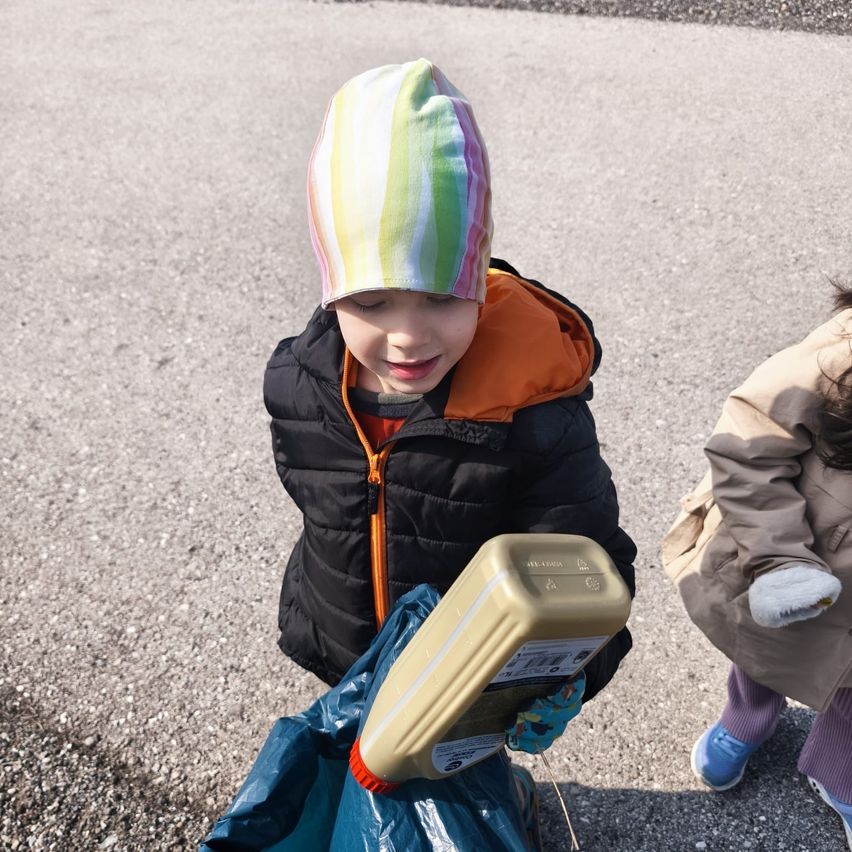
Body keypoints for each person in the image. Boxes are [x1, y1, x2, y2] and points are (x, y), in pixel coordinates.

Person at [263, 58, 636, 846]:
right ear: (332, 288)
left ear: (479, 278)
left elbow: (592, 567)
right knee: (363, 781)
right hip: (347, 652)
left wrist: (564, 675)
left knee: (455, 781)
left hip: (465, 689)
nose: (406, 333)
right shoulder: (300, 386)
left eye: (443, 296)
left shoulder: (532, 415)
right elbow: (325, 510)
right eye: (370, 299)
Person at [663, 289, 852, 849]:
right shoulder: (839, 352)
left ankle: (838, 773)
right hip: (799, 555)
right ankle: (748, 720)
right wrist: (778, 555)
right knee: (767, 644)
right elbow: (749, 441)